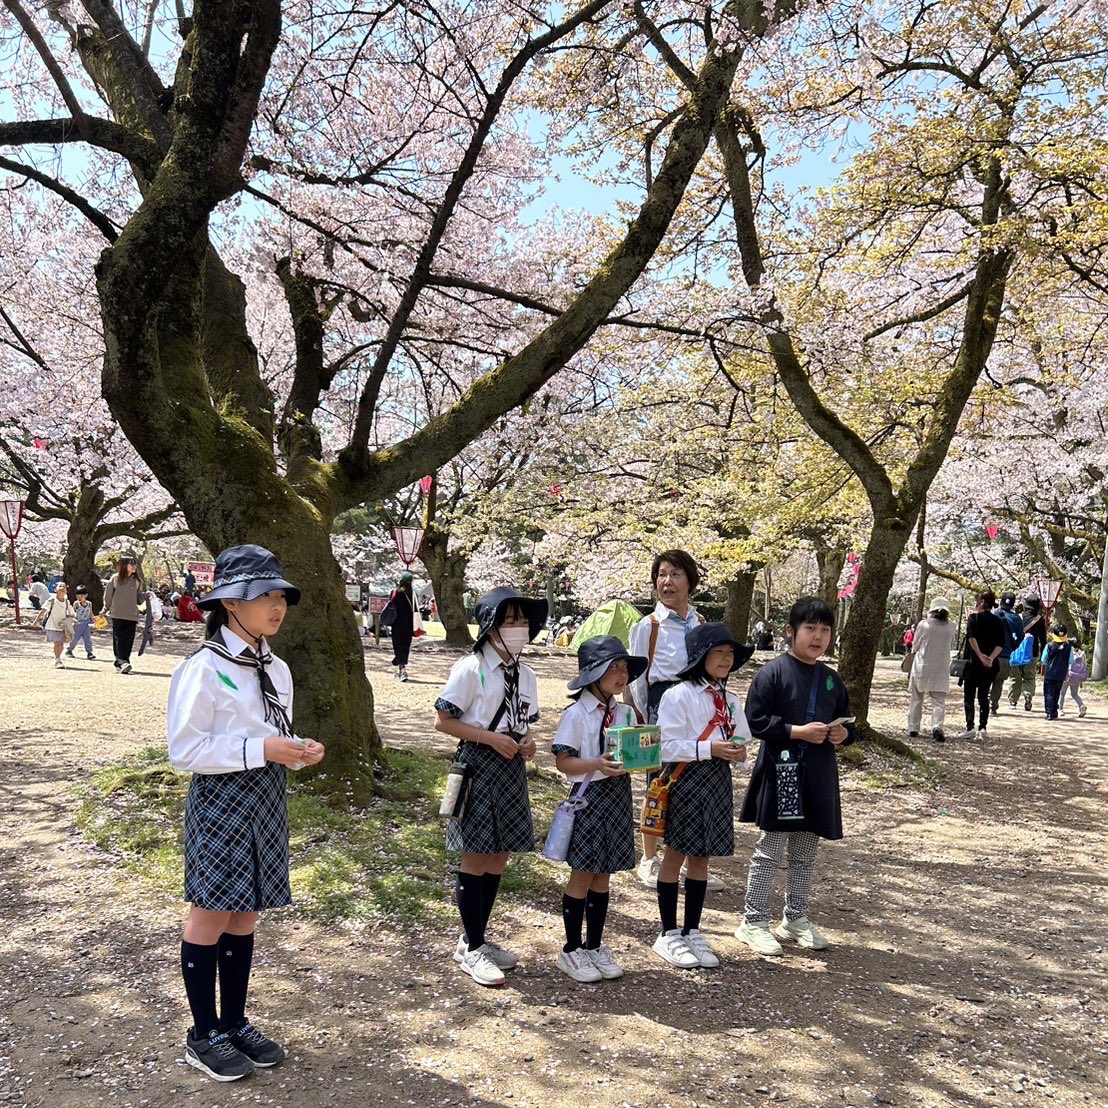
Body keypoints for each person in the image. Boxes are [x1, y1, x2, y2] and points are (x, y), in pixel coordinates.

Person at [167, 545, 324, 1082]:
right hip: (221, 801)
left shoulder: (276, 667)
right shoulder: (203, 667)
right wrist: (263, 751)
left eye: (280, 596)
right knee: (210, 914)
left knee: (246, 912)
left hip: (266, 797)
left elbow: (271, 735)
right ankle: (202, 1032)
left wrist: (297, 751)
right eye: (265, 596)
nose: (277, 606)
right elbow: (185, 751)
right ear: (231, 603)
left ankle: (234, 1022)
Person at [433, 586, 548, 987]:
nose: (519, 628)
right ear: (491, 627)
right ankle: (473, 945)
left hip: (510, 766)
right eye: (510, 620)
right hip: (478, 766)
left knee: (500, 855)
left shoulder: (527, 673)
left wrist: (526, 740)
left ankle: (474, 939)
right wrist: (490, 739)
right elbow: (443, 721)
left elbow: (524, 721)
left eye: (523, 621)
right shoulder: (471, 668)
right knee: (476, 855)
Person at [735, 597, 856, 957]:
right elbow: (755, 721)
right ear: (791, 632)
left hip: (817, 773)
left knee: (806, 849)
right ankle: (753, 920)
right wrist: (796, 731)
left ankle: (795, 917)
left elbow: (848, 720)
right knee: (769, 849)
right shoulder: (771, 673)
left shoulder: (831, 679)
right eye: (810, 628)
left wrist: (843, 735)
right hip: (781, 770)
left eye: (824, 629)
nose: (818, 637)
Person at [652, 624, 754, 970]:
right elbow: (666, 746)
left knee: (702, 857)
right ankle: (668, 932)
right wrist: (709, 747)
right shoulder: (678, 695)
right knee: (675, 854)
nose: (726, 660)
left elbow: (741, 737)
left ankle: (692, 929)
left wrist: (737, 754)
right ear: (700, 657)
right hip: (686, 778)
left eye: (730, 654)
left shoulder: (731, 699)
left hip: (716, 780)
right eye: (718, 653)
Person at [550, 636, 647, 983]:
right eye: (614, 669)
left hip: (618, 796)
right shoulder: (576, 713)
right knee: (582, 873)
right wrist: (596, 763)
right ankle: (571, 949)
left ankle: (594, 945)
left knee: (604, 874)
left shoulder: (624, 712)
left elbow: (635, 751)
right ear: (593, 674)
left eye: (624, 669)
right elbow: (564, 761)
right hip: (589, 797)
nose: (622, 676)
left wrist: (641, 755)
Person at [627, 550, 720, 891]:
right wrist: (639, 716)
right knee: (659, 779)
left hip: (697, 706)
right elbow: (636, 677)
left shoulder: (702, 625)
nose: (667, 582)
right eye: (662, 575)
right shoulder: (648, 626)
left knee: (694, 779)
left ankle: (687, 858)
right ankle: (650, 858)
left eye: (676, 574)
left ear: (690, 581)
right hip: (659, 704)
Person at [905, 598, 956, 742]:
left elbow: (915, 646)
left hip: (922, 665)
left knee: (916, 698)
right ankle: (937, 727)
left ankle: (913, 728)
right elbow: (951, 645)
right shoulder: (951, 626)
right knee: (939, 701)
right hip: (941, 668)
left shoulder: (924, 625)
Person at [956, 590, 1004, 740]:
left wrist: (980, 656)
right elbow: (1000, 644)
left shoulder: (973, 618)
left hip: (973, 664)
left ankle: (970, 726)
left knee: (969, 695)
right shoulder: (998, 621)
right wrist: (990, 658)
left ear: (983, 602)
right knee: (984, 696)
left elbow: (971, 638)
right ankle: (983, 727)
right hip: (989, 665)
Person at [103, 555, 143, 673]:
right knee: (119, 639)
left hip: (132, 614)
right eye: (131, 564)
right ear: (125, 565)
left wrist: (147, 596)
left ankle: (123, 662)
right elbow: (108, 596)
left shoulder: (137, 581)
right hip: (117, 613)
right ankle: (122, 662)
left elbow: (139, 598)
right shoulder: (115, 579)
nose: (134, 567)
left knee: (129, 639)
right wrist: (105, 609)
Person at [1008, 596, 1047, 711]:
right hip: (1032, 653)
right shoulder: (1040, 620)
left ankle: (1013, 702)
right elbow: (1043, 640)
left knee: (1015, 677)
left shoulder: (1018, 617)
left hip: (1016, 651)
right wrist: (1042, 656)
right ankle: (1028, 694)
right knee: (1029, 677)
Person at [990, 593, 1024, 714]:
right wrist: (1013, 645)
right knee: (998, 681)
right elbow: (1021, 636)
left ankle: (985, 702)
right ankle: (992, 705)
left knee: (987, 679)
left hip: (989, 653)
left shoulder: (993, 614)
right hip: (1005, 654)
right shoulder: (1016, 618)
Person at [32, 580, 75, 668]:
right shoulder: (52, 600)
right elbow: (43, 610)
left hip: (63, 626)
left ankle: (59, 657)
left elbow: (71, 613)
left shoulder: (67, 602)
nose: (62, 588)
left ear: (66, 591)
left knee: (61, 644)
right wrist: (36, 621)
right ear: (55, 589)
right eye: (60, 586)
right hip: (52, 625)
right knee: (57, 643)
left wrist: (74, 620)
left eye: (64, 587)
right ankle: (57, 659)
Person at [384, 572, 416, 682]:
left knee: (397, 645)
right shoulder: (413, 594)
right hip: (409, 624)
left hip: (397, 623)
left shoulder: (395, 592)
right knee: (405, 646)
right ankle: (400, 664)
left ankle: (402, 669)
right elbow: (416, 609)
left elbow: (391, 604)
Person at [1040, 624, 1073, 722]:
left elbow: (1044, 660)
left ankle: (1049, 712)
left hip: (1050, 674)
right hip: (1061, 674)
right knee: (1057, 692)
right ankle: (1054, 711)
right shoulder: (1068, 647)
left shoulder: (1049, 646)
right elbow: (1071, 661)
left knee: (1049, 693)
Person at [1059, 640, 1089, 718]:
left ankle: (1060, 709)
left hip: (1068, 675)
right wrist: (1081, 680)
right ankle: (1081, 705)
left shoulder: (1068, 652)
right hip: (1077, 677)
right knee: (1074, 694)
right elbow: (1084, 666)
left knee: (1062, 693)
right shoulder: (1082, 653)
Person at [65, 585, 96, 660]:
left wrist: (94, 619)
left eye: (82, 595)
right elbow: (72, 613)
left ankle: (89, 653)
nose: (80, 597)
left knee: (87, 639)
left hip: (86, 624)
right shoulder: (76, 604)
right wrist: (73, 619)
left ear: (86, 595)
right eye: (78, 595)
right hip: (77, 624)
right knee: (74, 639)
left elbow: (90, 613)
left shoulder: (89, 604)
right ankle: (69, 650)